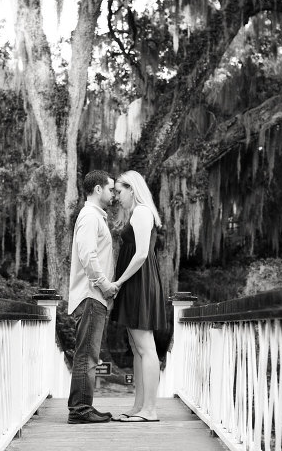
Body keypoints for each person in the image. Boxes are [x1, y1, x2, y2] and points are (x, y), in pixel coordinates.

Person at [109, 170, 167, 423]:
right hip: (135, 282)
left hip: (139, 282)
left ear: (132, 189)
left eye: (119, 192)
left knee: (146, 347)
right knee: (137, 348)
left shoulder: (142, 212)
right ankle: (139, 406)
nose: (116, 197)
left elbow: (142, 253)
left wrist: (119, 281)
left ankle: (150, 410)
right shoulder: (135, 213)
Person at [67, 170, 119, 424]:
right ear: (98, 189)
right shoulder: (89, 217)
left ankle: (84, 405)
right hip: (91, 295)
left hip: (94, 296)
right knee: (86, 354)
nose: (114, 194)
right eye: (111, 189)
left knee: (89, 354)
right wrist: (105, 285)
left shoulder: (95, 216)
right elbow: (88, 255)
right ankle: (79, 410)